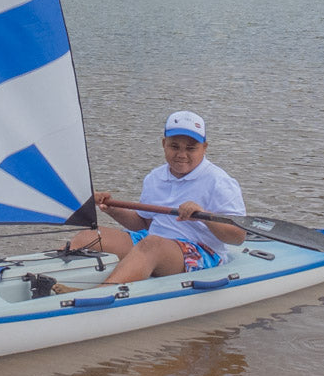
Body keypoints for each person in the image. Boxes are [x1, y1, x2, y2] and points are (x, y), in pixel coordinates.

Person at [66, 110, 245, 284]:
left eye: (191, 148)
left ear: (204, 148)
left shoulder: (219, 182)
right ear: (163, 144)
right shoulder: (155, 177)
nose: (182, 155)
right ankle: (50, 282)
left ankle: (99, 295)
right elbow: (143, 224)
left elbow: (238, 236)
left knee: (152, 245)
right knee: (88, 236)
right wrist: (112, 209)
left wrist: (205, 216)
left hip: (202, 251)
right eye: (174, 146)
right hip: (155, 241)